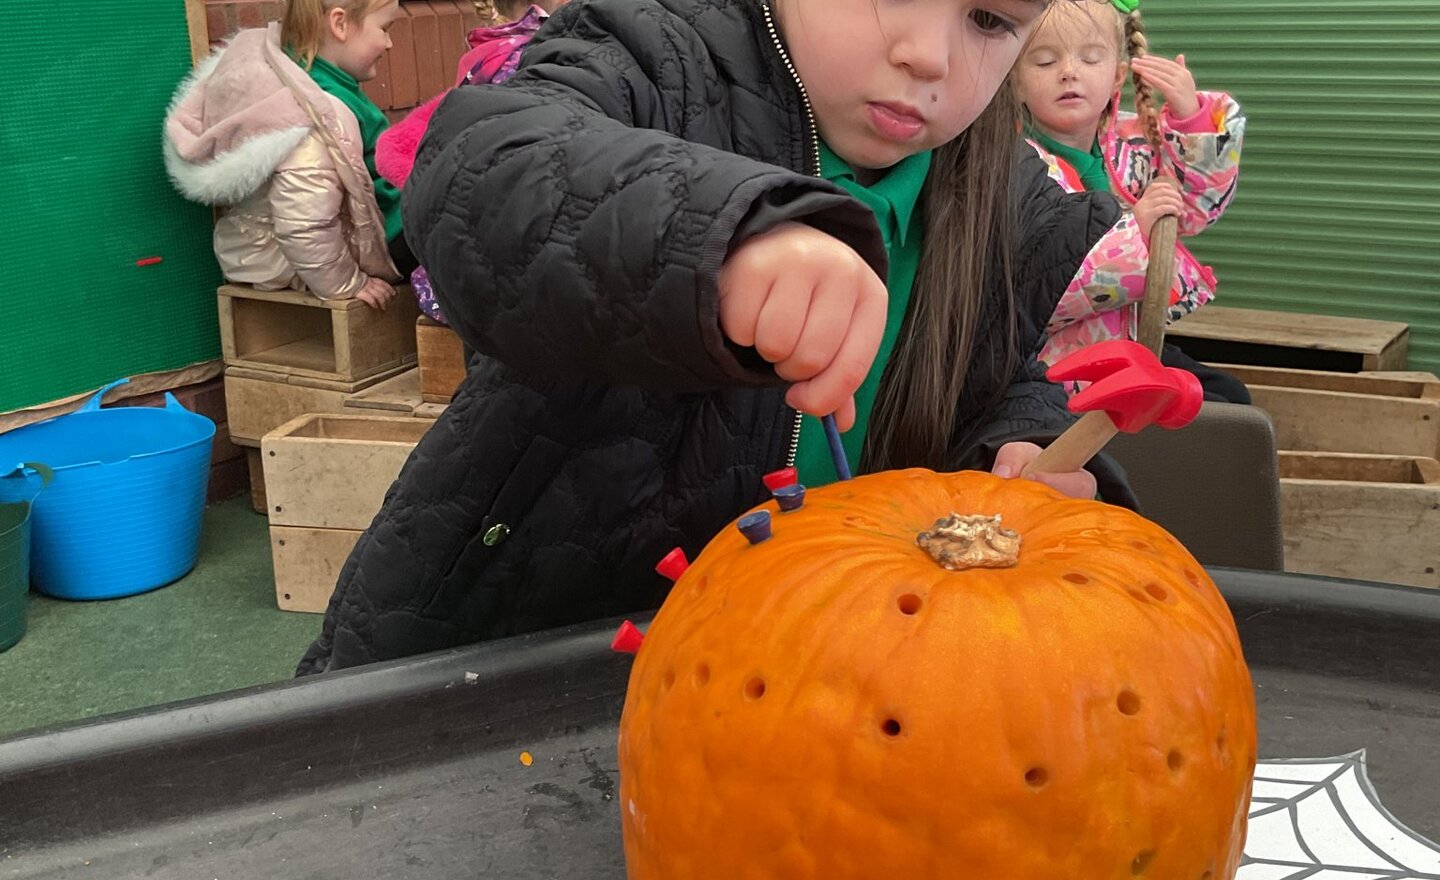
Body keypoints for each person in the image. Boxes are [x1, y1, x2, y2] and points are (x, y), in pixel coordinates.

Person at [298, 0, 1128, 674]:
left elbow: (991, 372)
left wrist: (1018, 445)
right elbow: (484, 169)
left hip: (848, 669)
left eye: (989, 21)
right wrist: (717, 236)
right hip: (552, 658)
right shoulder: (656, 51)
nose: (928, 56)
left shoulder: (1005, 197)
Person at [1013, 0, 1249, 400]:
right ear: (1014, 81)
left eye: (1090, 58)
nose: (1069, 71)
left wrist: (1190, 119)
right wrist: (1136, 231)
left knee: (1229, 398)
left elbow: (1194, 209)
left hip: (1134, 342)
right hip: (1056, 363)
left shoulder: (1131, 143)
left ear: (1117, 75)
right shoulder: (1018, 166)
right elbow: (1044, 285)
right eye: (1044, 62)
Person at [164, 0, 411, 309]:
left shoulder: (322, 81)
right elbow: (304, 223)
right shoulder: (309, 116)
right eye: (384, 29)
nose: (389, 43)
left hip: (362, 233)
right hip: (322, 254)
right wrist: (348, 283)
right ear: (340, 24)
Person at [376, 0, 573, 322]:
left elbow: (400, 147)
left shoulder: (483, 60)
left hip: (458, 261)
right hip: (520, 253)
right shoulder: (537, 58)